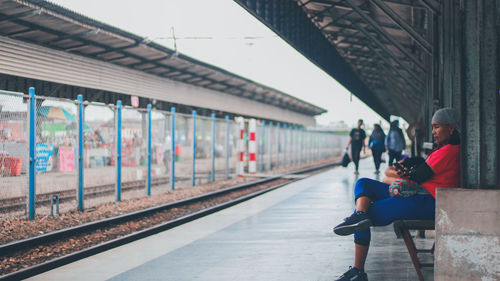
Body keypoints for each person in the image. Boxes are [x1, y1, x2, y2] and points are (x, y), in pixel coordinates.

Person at [332, 108, 461, 281]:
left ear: (451, 127)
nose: (433, 132)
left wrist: (396, 173)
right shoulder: (443, 150)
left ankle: (358, 270)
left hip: (427, 201)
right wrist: (400, 174)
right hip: (416, 195)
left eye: (437, 127)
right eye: (432, 127)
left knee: (367, 217)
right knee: (363, 183)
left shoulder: (450, 151)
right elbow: (415, 175)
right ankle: (360, 215)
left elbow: (417, 177)